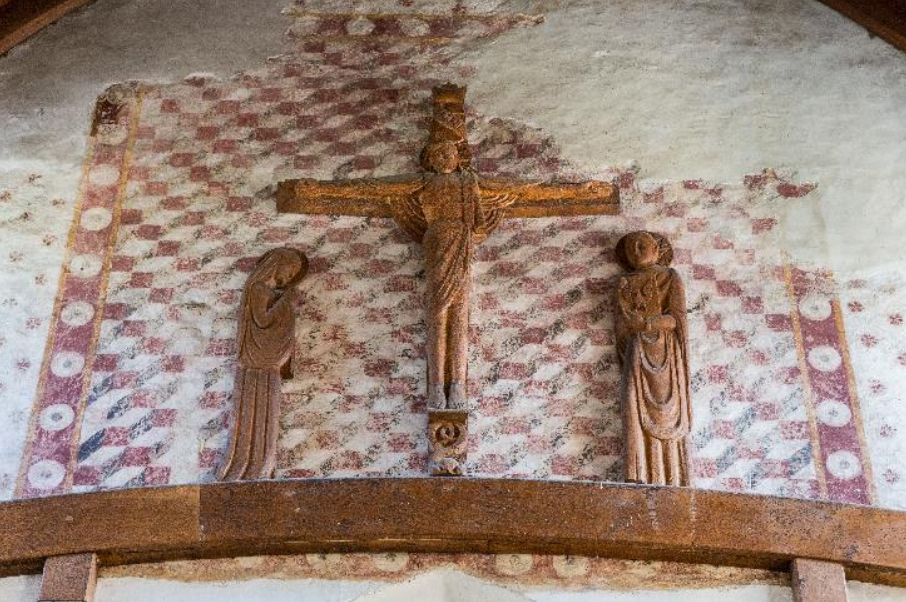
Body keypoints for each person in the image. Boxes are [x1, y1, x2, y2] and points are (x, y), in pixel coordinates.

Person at [219, 247, 308, 481]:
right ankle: (248, 463)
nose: (287, 279)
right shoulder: (258, 289)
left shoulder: (265, 290)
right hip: (257, 360)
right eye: (288, 272)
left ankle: (259, 461)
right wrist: (286, 302)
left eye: (291, 277)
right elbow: (263, 320)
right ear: (276, 263)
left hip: (264, 362)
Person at [614, 231, 692, 486]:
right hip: (636, 353)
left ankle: (671, 474)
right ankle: (637, 471)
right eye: (630, 248)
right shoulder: (622, 283)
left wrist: (648, 323)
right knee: (630, 404)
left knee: (667, 412)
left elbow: (677, 319)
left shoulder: (669, 277)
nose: (636, 250)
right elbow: (621, 326)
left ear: (657, 250)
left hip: (666, 354)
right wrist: (633, 327)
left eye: (642, 245)